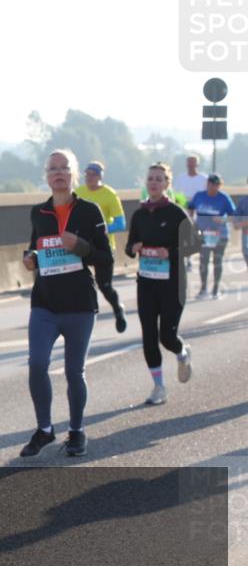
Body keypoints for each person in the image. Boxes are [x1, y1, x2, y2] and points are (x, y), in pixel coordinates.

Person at [20, 149, 113, 458]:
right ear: (46, 176)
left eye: (64, 168)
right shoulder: (39, 212)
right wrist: (30, 259)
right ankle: (44, 430)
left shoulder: (89, 211)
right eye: (53, 169)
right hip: (45, 302)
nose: (58, 173)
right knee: (36, 365)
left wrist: (81, 246)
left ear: (73, 175)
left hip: (79, 304)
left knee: (74, 372)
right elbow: (36, 247)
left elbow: (105, 258)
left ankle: (76, 431)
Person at [125, 163, 199, 406]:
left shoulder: (176, 213)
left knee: (167, 336)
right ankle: (159, 387)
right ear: (146, 183)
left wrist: (170, 251)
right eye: (150, 178)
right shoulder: (139, 214)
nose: (154, 182)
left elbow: (194, 245)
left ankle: (181, 352)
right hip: (146, 283)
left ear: (167, 184)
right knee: (149, 336)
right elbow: (129, 247)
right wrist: (133, 248)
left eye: (159, 179)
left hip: (173, 284)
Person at [74, 161, 127, 332]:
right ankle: (84, 317)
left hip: (103, 247)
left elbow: (121, 223)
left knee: (104, 286)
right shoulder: (78, 192)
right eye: (87, 174)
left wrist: (101, 229)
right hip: (81, 246)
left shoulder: (109, 194)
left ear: (100, 176)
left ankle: (118, 309)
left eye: (93, 174)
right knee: (79, 283)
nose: (89, 177)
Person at [190, 173, 237, 299]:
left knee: (217, 261)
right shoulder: (199, 196)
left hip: (220, 234)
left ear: (219, 185)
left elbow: (234, 215)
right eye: (210, 183)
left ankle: (215, 289)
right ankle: (203, 288)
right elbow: (191, 208)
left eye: (216, 184)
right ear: (207, 184)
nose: (212, 186)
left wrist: (223, 219)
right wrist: (192, 221)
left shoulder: (224, 198)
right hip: (204, 234)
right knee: (203, 261)